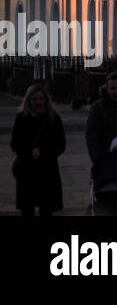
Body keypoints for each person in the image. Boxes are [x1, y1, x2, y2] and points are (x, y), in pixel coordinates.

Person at [9, 83, 66, 216]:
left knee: (47, 209)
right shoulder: (21, 118)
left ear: (46, 100)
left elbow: (60, 145)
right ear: (29, 101)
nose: (38, 102)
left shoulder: (54, 118)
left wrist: (44, 152)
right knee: (27, 209)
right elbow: (15, 144)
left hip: (47, 170)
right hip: (27, 170)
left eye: (41, 99)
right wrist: (29, 151)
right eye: (35, 99)